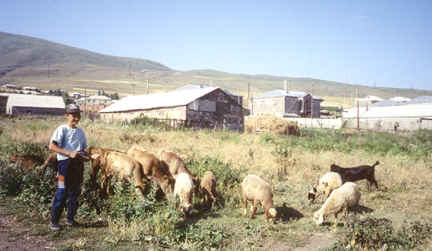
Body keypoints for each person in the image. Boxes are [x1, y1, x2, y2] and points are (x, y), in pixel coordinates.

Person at [49, 104, 88, 231]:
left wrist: (88, 156)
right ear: (67, 116)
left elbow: (82, 150)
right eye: (73, 115)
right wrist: (69, 153)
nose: (76, 118)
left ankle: (70, 219)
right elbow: (52, 147)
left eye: (78, 115)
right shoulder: (62, 129)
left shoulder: (81, 132)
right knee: (61, 191)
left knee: (74, 193)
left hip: (77, 166)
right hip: (63, 166)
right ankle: (54, 221)